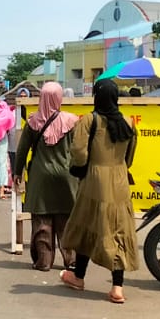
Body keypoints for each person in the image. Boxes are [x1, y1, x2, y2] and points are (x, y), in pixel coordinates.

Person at [59, 79, 140, 304]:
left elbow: (78, 151)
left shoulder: (90, 120)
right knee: (118, 230)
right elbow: (130, 156)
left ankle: (78, 276)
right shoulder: (128, 123)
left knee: (88, 227)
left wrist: (80, 168)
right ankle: (117, 287)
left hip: (95, 180)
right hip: (120, 180)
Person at [15, 81, 80, 271]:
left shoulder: (33, 122)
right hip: (66, 177)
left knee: (42, 222)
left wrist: (18, 172)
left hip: (40, 178)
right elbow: (80, 149)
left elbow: (22, 151)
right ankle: (72, 260)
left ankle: (43, 261)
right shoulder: (72, 121)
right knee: (67, 221)